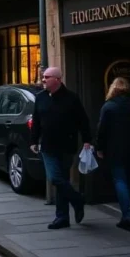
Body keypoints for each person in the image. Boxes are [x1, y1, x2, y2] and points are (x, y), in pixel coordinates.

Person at [29, 66, 92, 230]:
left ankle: (62, 217)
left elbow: (83, 121)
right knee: (55, 178)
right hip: (47, 146)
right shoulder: (40, 97)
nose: (43, 80)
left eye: (47, 77)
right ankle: (77, 200)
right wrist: (33, 140)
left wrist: (87, 140)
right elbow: (36, 121)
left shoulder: (71, 98)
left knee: (62, 180)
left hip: (66, 145)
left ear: (57, 79)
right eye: (43, 77)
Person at [96, 77, 130, 231]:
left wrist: (99, 148)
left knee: (120, 180)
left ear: (112, 89)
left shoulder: (109, 106)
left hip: (115, 149)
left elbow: (102, 129)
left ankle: (127, 215)